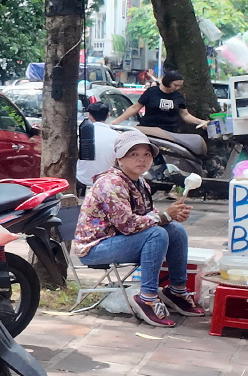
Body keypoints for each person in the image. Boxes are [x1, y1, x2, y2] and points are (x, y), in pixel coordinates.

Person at [72, 130, 204, 328]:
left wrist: (172, 215)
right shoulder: (112, 183)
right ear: (119, 158)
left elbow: (148, 215)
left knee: (175, 230)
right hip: (96, 248)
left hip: (120, 240)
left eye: (147, 154)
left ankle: (176, 290)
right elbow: (128, 225)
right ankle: (147, 297)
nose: (141, 160)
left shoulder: (140, 182)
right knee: (157, 234)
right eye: (134, 154)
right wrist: (165, 216)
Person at [110, 69, 208, 134]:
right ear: (168, 81)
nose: (177, 88)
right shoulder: (151, 92)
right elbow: (135, 108)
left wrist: (200, 122)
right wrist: (117, 121)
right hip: (149, 129)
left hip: (169, 132)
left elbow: (185, 115)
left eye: (180, 86)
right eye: (175, 85)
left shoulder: (178, 96)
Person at [76, 101, 118, 189]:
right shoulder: (117, 136)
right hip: (106, 182)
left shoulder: (79, 133)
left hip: (81, 180)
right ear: (108, 116)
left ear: (90, 116)